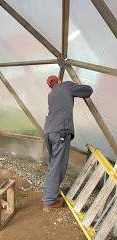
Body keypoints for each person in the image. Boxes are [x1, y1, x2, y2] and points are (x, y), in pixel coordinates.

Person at [43, 75, 93, 211]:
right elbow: (88, 90)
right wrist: (76, 84)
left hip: (49, 132)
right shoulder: (66, 86)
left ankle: (50, 193)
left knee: (53, 164)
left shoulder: (51, 94)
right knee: (58, 166)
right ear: (58, 81)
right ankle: (49, 201)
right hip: (60, 131)